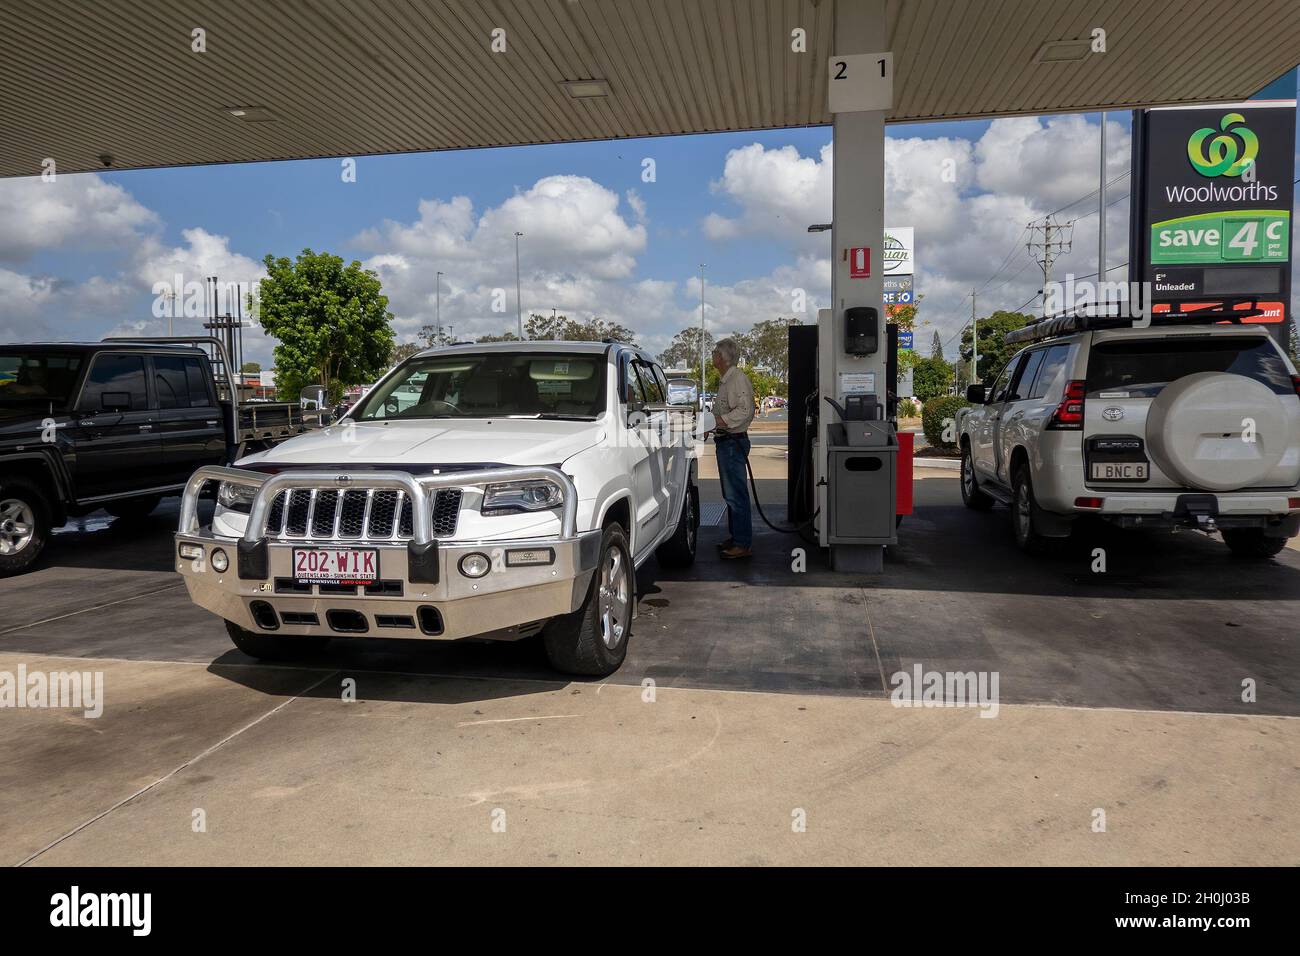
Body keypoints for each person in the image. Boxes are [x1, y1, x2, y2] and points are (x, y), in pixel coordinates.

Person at [709, 338, 755, 559]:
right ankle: (737, 537)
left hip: (732, 443)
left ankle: (742, 543)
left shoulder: (736, 379)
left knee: (736, 495)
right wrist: (710, 424)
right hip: (727, 442)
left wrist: (718, 421)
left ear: (722, 357)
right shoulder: (727, 380)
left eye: (715, 352)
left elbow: (745, 410)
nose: (712, 355)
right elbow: (723, 410)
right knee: (731, 494)